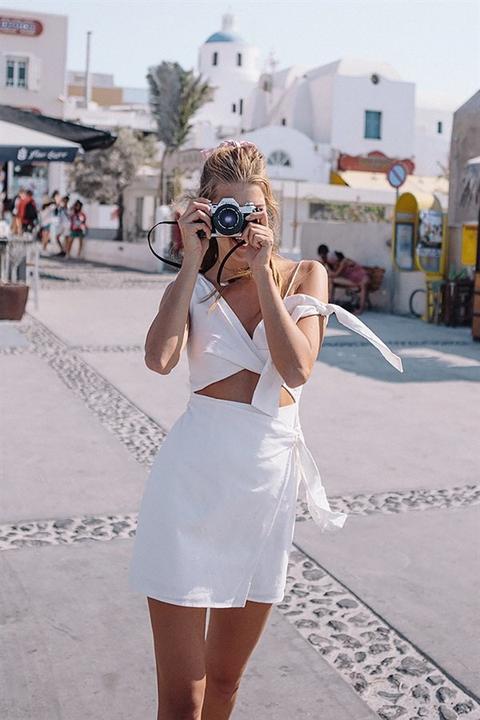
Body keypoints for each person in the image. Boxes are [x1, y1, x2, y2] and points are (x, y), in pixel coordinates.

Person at [128, 139, 403, 719]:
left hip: (262, 496)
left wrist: (261, 272)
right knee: (184, 698)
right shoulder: (195, 281)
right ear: (204, 209)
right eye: (225, 209)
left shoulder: (305, 274)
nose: (238, 221)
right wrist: (188, 259)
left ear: (267, 211)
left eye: (249, 210)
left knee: (225, 684)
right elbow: (159, 358)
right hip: (188, 493)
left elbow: (298, 366)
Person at [327, 250, 370, 315]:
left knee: (331, 279)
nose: (332, 264)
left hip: (361, 280)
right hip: (355, 281)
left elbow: (336, 274)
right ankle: (330, 303)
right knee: (331, 280)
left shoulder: (344, 261)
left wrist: (327, 270)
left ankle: (360, 309)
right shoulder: (339, 263)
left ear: (336, 259)